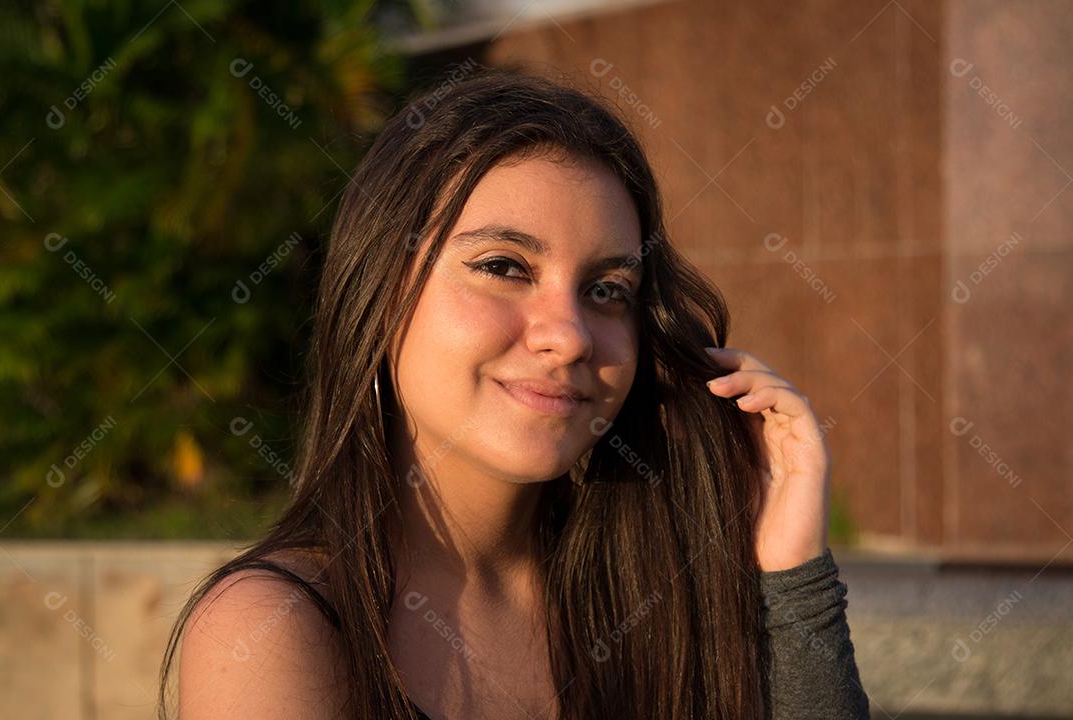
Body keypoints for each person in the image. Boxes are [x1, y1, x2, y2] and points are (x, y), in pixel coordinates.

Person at [159, 64, 870, 720]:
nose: (569, 335)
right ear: (377, 291)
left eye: (606, 290)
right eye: (504, 266)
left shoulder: (665, 598)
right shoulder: (276, 627)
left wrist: (794, 577)